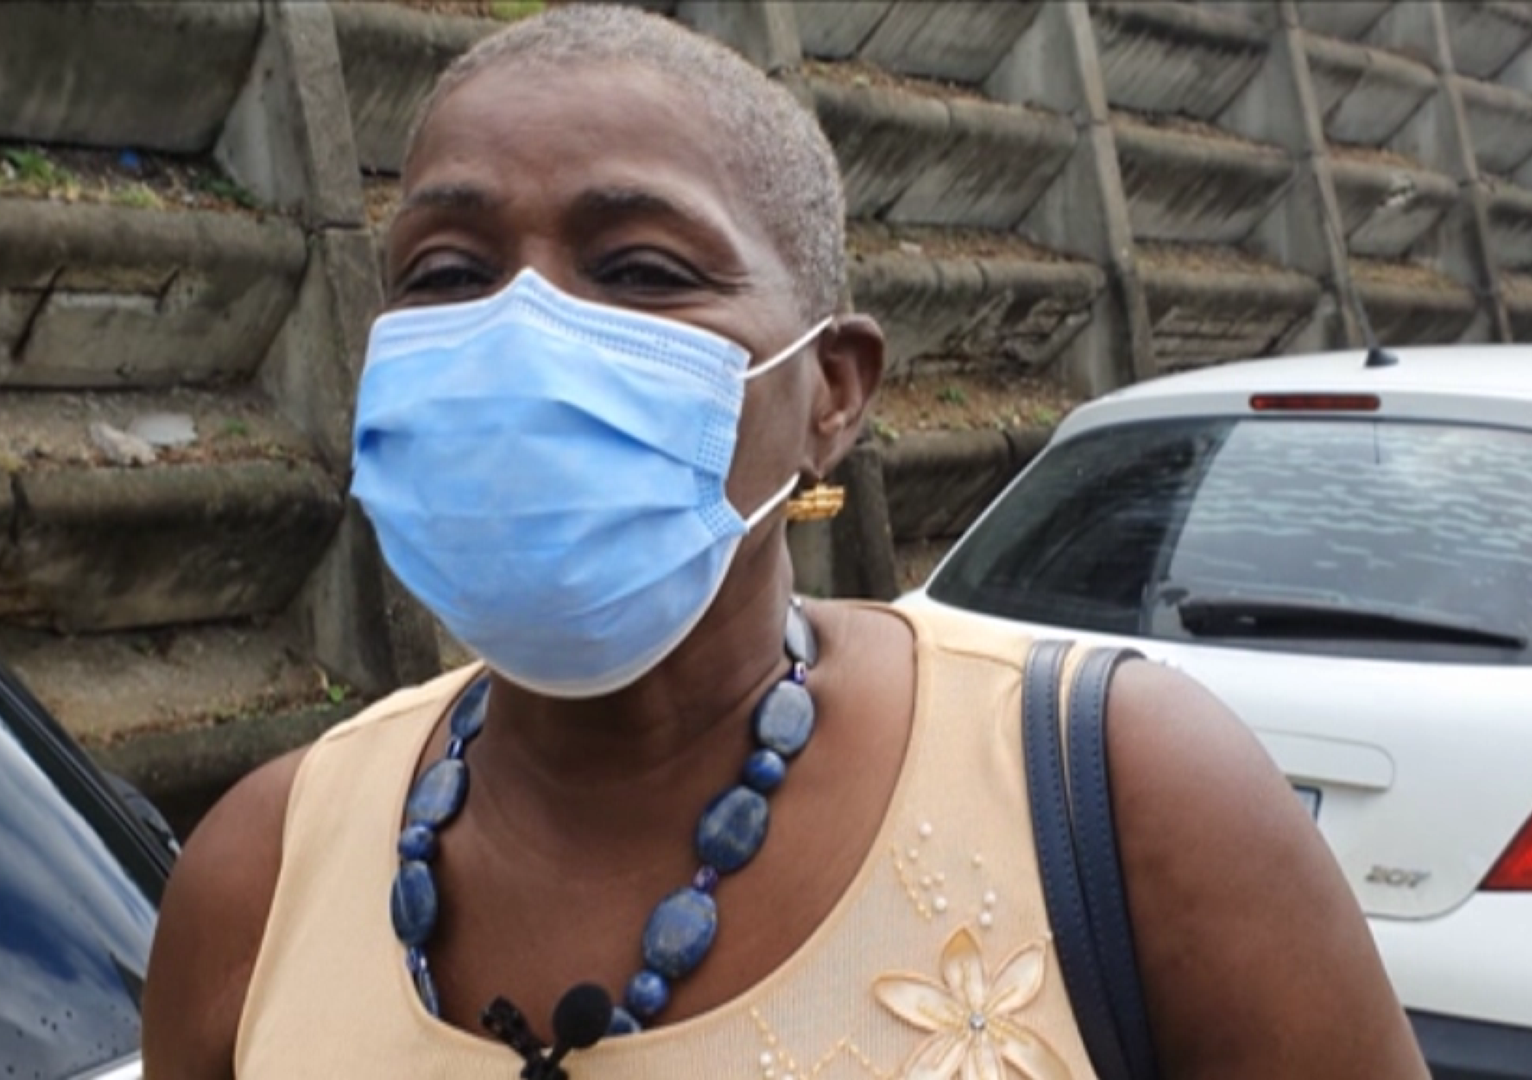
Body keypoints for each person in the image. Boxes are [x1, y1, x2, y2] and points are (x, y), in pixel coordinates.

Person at [141, 6, 1428, 1078]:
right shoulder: (261, 871)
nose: (520, 334)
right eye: (444, 273)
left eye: (640, 271)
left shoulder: (1118, 797)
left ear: (833, 394)